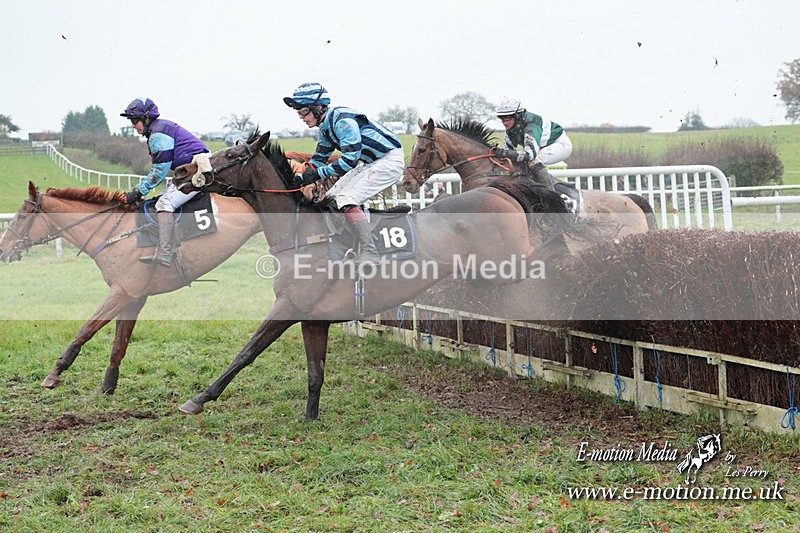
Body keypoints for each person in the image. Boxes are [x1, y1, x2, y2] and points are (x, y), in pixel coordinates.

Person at [283, 82, 404, 265]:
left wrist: (315, 175)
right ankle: (352, 240)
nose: (301, 117)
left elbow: (349, 160)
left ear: (319, 107)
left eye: (304, 111)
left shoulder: (342, 120)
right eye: (298, 112)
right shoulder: (325, 127)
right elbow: (319, 159)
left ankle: (370, 251)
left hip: (389, 160)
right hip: (371, 162)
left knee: (347, 198)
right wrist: (300, 176)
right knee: (331, 198)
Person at [120, 97, 209, 268]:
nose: (133, 125)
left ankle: (166, 253)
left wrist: (139, 191)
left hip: (197, 169)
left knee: (164, 203)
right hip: (192, 168)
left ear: (146, 119)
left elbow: (159, 171)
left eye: (134, 120)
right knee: (162, 198)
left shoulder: (158, 133)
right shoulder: (159, 128)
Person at [493, 97, 573, 192]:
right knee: (520, 162)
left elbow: (529, 154)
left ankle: (552, 197)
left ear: (518, 115)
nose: (504, 122)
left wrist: (505, 153)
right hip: (541, 147)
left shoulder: (531, 126)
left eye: (508, 117)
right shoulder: (511, 129)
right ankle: (553, 183)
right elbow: (507, 153)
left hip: (560, 145)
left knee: (533, 161)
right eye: (501, 118)